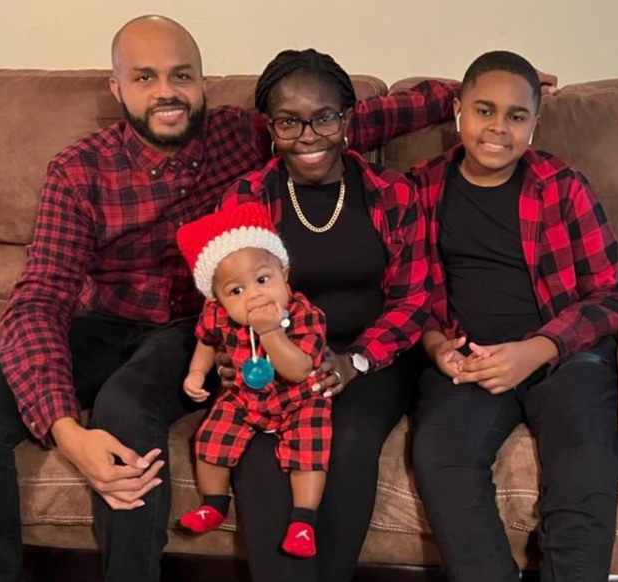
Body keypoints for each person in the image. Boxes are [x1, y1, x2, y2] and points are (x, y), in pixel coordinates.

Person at [0, 14, 458, 582]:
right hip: (105, 319)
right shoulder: (79, 172)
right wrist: (63, 428)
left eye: (181, 76)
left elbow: (339, 117)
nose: (166, 93)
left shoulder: (239, 134)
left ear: (203, 81)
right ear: (117, 88)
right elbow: (41, 300)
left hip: (194, 324)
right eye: (145, 78)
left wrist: (470, 94)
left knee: (125, 407)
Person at [407, 50, 618, 582]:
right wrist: (438, 347)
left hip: (562, 354)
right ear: (458, 110)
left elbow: (614, 293)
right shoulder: (419, 188)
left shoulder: (563, 185)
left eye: (516, 116)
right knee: (441, 455)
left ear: (535, 123)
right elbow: (406, 295)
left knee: (585, 465)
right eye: (484, 110)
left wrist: (538, 349)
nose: (498, 128)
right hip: (470, 358)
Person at [216, 48, 429, 582]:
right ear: (271, 127)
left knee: (349, 437)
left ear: (348, 120)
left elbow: (412, 300)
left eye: (324, 117)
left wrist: (356, 361)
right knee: (262, 450)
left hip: (368, 354)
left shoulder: (391, 193)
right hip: (273, 352)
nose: (307, 135)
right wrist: (230, 354)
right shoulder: (246, 198)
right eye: (289, 121)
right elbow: (223, 297)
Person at [175, 202, 330, 558]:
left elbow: (298, 369)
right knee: (209, 438)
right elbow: (206, 340)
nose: (255, 295)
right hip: (245, 395)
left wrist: (271, 332)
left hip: (299, 398)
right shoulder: (217, 315)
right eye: (236, 291)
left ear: (284, 274)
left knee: (310, 449)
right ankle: (213, 504)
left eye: (263, 280)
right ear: (217, 299)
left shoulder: (306, 315)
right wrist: (196, 372)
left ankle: (303, 521)